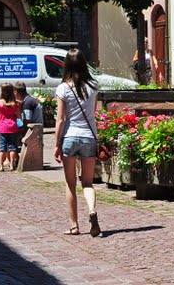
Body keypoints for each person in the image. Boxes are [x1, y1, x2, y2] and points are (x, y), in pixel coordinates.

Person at [54, 49, 101, 237]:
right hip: (89, 137)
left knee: (70, 183)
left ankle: (74, 225)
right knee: (88, 183)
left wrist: (56, 144)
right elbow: (94, 112)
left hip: (70, 137)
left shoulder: (63, 88)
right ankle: (91, 210)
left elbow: (60, 119)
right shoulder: (93, 85)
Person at [0, 83, 21, 172]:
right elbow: (19, 115)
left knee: (2, 148)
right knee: (12, 147)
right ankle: (12, 165)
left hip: (2, 127)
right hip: (12, 127)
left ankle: (1, 165)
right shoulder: (15, 103)